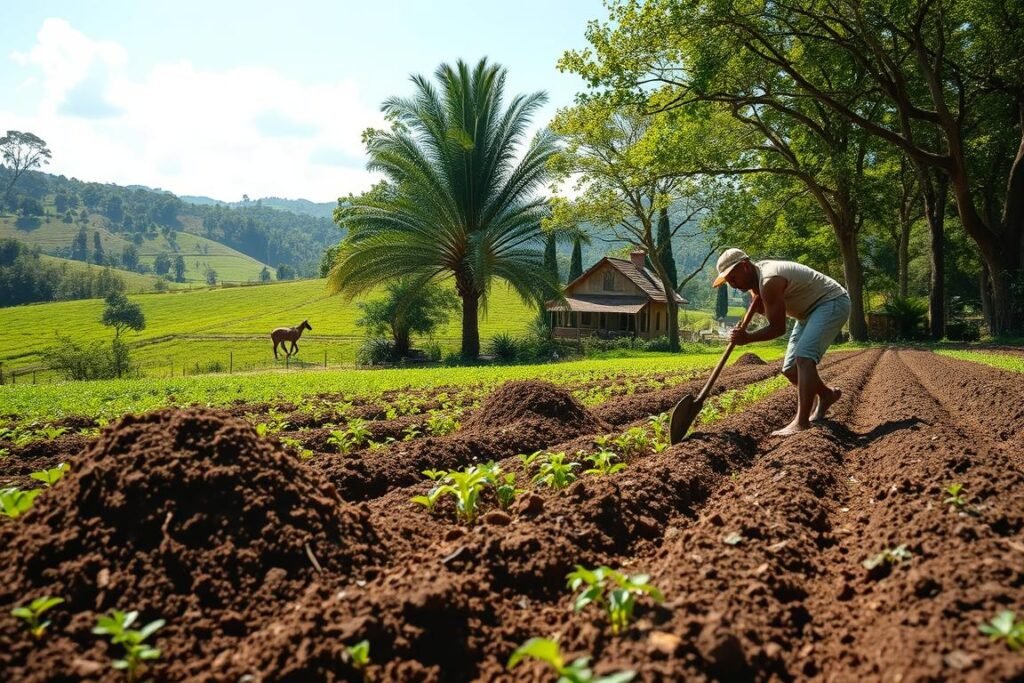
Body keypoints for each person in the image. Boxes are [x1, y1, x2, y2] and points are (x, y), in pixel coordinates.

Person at [713, 248, 851, 436]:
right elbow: (769, 312)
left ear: (745, 266)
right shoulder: (758, 283)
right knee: (790, 369)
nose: (732, 284)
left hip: (831, 301)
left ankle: (801, 422)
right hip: (806, 314)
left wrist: (748, 338)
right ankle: (827, 395)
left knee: (804, 358)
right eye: (728, 281)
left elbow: (778, 329)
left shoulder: (770, 280)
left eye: (732, 277)